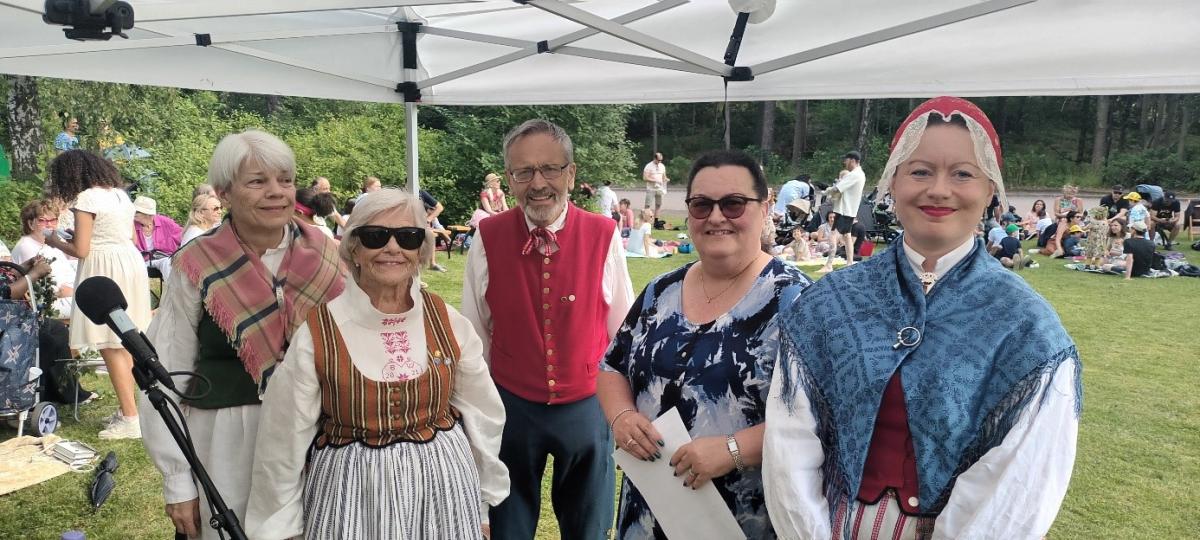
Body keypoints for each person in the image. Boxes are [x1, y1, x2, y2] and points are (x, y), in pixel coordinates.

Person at [764, 96, 1081, 539]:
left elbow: (1019, 481)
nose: (938, 189)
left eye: (963, 174)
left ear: (991, 190)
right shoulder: (829, 303)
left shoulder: (1027, 327)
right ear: (892, 182)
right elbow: (789, 443)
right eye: (920, 171)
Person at [245, 188, 508, 540]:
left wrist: (482, 504)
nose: (393, 248)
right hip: (354, 494)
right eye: (375, 236)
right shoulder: (320, 331)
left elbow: (483, 413)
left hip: (444, 490)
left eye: (408, 237)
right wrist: (281, 528)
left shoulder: (449, 321)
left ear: (421, 249)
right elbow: (282, 438)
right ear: (353, 248)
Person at [141, 130, 345, 539]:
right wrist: (179, 479)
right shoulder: (196, 263)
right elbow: (167, 368)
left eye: (285, 180)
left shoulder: (327, 252)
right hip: (230, 442)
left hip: (320, 434)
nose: (276, 193)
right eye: (257, 181)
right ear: (225, 193)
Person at [600, 149, 811, 539]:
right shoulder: (660, 292)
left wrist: (733, 449)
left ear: (765, 207)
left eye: (733, 204)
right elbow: (612, 366)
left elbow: (823, 418)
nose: (716, 217)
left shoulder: (798, 301)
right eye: (701, 205)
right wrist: (622, 418)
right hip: (647, 514)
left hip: (744, 519)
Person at [462, 119, 634, 539]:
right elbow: (474, 331)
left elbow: (622, 330)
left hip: (586, 403)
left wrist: (620, 407)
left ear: (570, 175)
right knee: (510, 522)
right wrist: (477, 410)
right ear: (510, 180)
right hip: (511, 405)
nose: (538, 183)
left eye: (550, 169)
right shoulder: (488, 235)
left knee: (589, 524)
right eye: (524, 172)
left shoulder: (603, 233)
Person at [42, 150, 151, 440]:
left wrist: (54, 241)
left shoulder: (86, 198)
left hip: (104, 267)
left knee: (110, 343)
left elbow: (80, 250)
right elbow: (122, 235)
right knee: (124, 339)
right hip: (128, 261)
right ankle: (131, 411)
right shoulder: (119, 195)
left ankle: (130, 418)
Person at [12, 199, 79, 317]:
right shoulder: (26, 246)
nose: (49, 225)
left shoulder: (52, 242)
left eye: (53, 220)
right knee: (92, 307)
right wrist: (72, 292)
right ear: (30, 224)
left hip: (70, 293)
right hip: (47, 303)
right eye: (42, 221)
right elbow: (43, 288)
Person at [818, 151, 866, 273]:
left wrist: (825, 191)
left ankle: (829, 265)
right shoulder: (860, 174)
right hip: (849, 210)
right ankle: (849, 263)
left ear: (853, 161)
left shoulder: (854, 174)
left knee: (833, 235)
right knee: (847, 236)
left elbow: (837, 188)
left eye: (846, 160)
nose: (844, 162)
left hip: (844, 210)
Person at [133, 195, 184, 281]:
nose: (133, 213)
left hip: (164, 258)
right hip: (141, 262)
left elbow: (184, 236)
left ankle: (172, 290)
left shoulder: (165, 223)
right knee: (167, 263)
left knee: (167, 263)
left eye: (137, 212)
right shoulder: (131, 225)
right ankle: (172, 291)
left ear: (147, 214)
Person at [419, 189, 449, 273]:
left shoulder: (421, 193)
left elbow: (440, 207)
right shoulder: (402, 193)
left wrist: (428, 219)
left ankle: (432, 264)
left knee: (431, 235)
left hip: (420, 224)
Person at [643, 152, 668, 221]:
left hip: (659, 189)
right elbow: (645, 178)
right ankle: (646, 221)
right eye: (659, 160)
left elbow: (664, 176)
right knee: (647, 205)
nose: (660, 162)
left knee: (658, 205)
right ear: (655, 158)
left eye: (661, 160)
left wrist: (666, 179)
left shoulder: (662, 166)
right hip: (651, 189)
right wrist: (655, 180)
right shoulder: (648, 166)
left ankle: (656, 222)